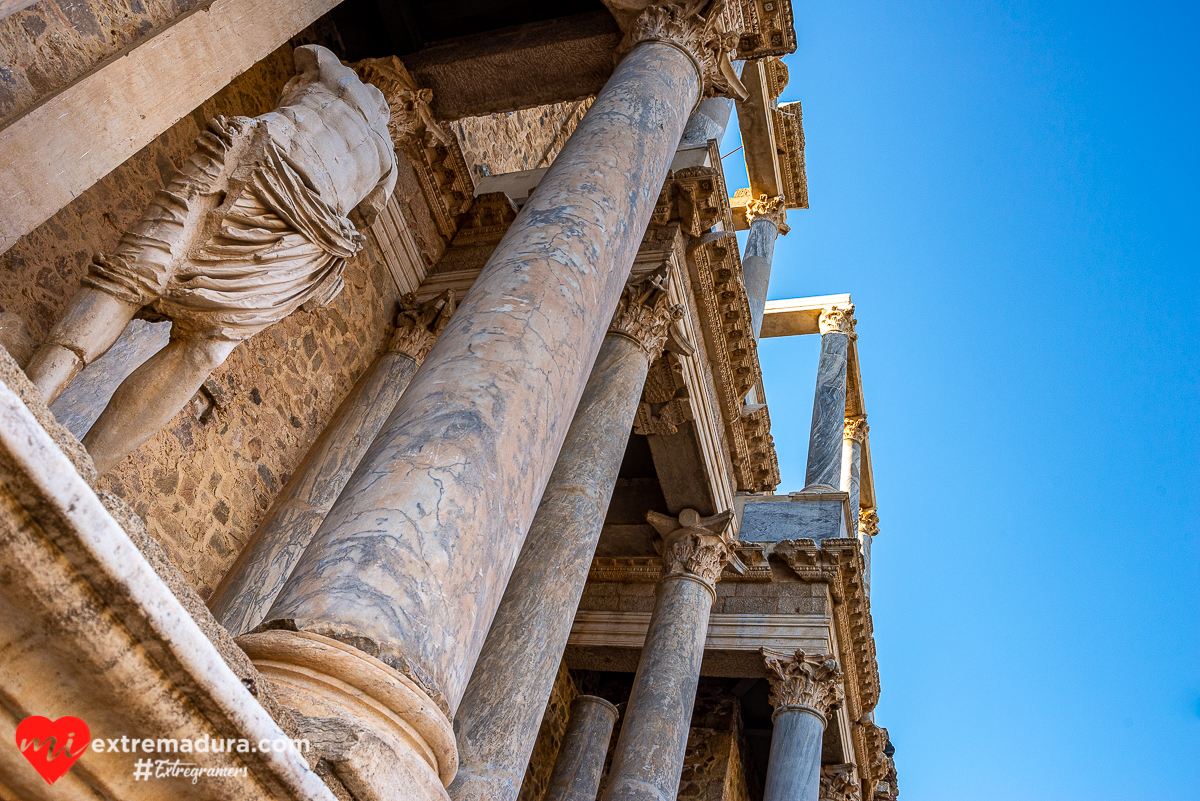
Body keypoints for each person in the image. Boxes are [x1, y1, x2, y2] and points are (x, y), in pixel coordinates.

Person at [25, 45, 397, 474]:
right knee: (163, 304)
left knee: (157, 299)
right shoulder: (386, 159)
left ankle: (77, 457)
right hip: (286, 199)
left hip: (288, 201)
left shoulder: (327, 67)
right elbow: (366, 214)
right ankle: (44, 415)